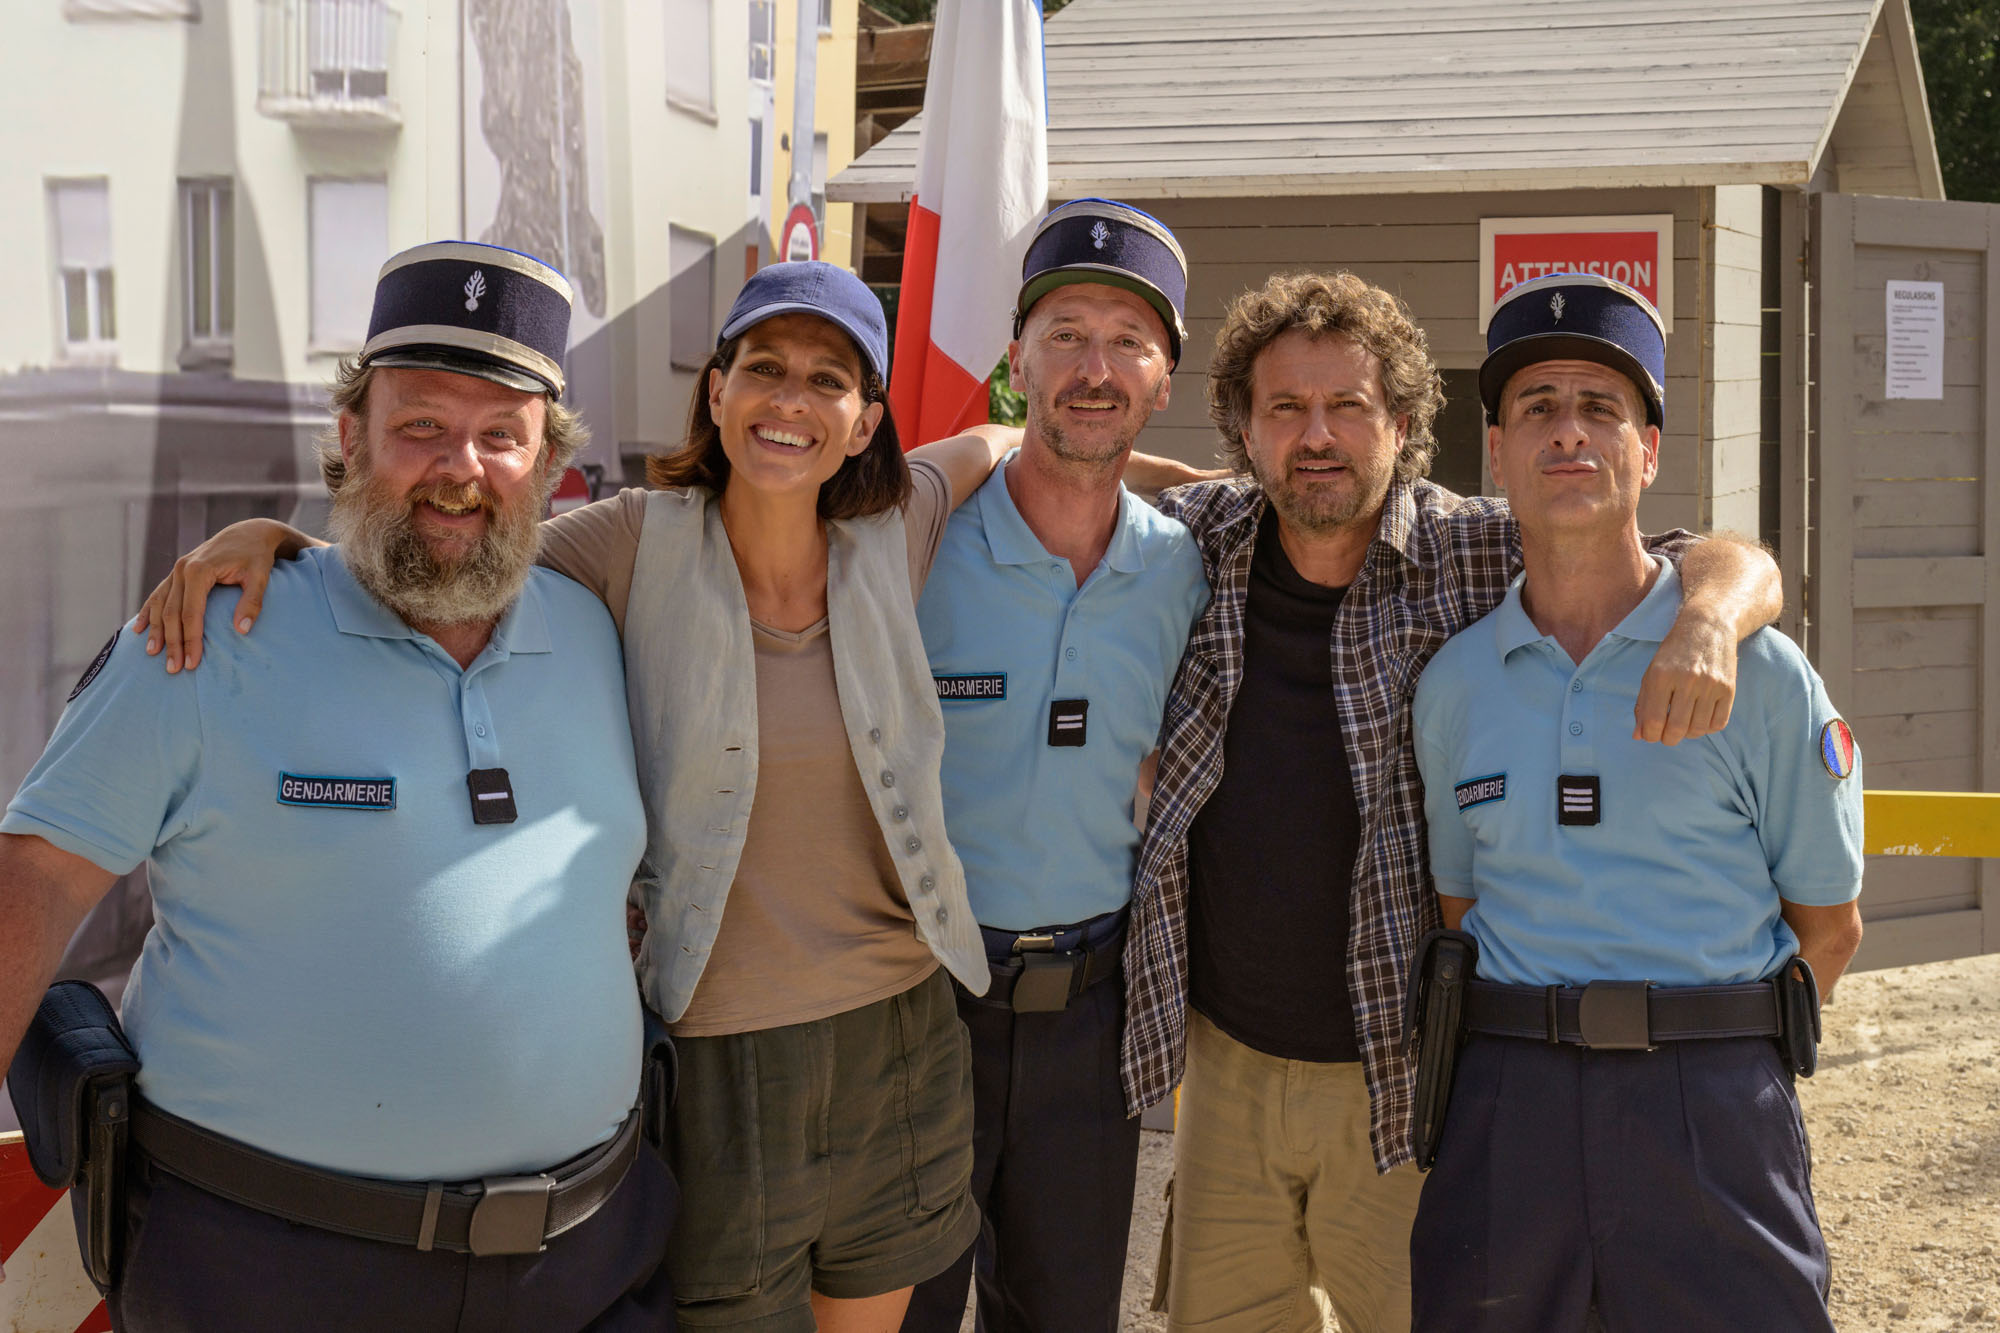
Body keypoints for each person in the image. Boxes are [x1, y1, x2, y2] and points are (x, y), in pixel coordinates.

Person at [130, 257, 1211, 1333]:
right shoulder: (630, 540)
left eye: (827, 381)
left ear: (865, 421)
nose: (791, 401)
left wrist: (1192, 485)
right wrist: (286, 543)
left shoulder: (900, 524)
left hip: (903, 1030)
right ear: (717, 391)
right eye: (765, 368)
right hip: (721, 1051)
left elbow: (1007, 441)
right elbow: (452, 537)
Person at [0, 240, 678, 1329]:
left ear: (549, 461)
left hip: (583, 1270)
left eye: (502, 435)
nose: (461, 467)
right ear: (352, 437)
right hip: (267, 1272)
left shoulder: (602, 632)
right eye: (422, 426)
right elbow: (30, 879)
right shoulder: (207, 638)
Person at [1122, 270, 1788, 1333]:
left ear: (1402, 424)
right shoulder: (1189, 543)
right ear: (1242, 431)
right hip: (1224, 1067)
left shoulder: (1472, 547)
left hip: (1404, 1074)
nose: (1317, 435)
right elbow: (1049, 459)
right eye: (1285, 408)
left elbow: (1703, 558)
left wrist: (1709, 618)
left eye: (1347, 405)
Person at [1409, 272, 1863, 1331]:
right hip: (1509, 1106)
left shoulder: (1760, 674)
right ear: (1497, 450)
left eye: (1600, 407)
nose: (1568, 431)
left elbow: (1829, 928)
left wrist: (1706, 1060)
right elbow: (1461, 911)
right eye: (1537, 407)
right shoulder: (1453, 685)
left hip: (1709, 1108)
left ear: (1648, 451)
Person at [900, 200, 1210, 1333]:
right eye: (1065, 333)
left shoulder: (1192, 566)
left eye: (1128, 341)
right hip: (919, 1011)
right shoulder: (920, 543)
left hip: (1093, 1016)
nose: (1094, 368)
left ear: (1163, 377)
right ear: (1016, 358)